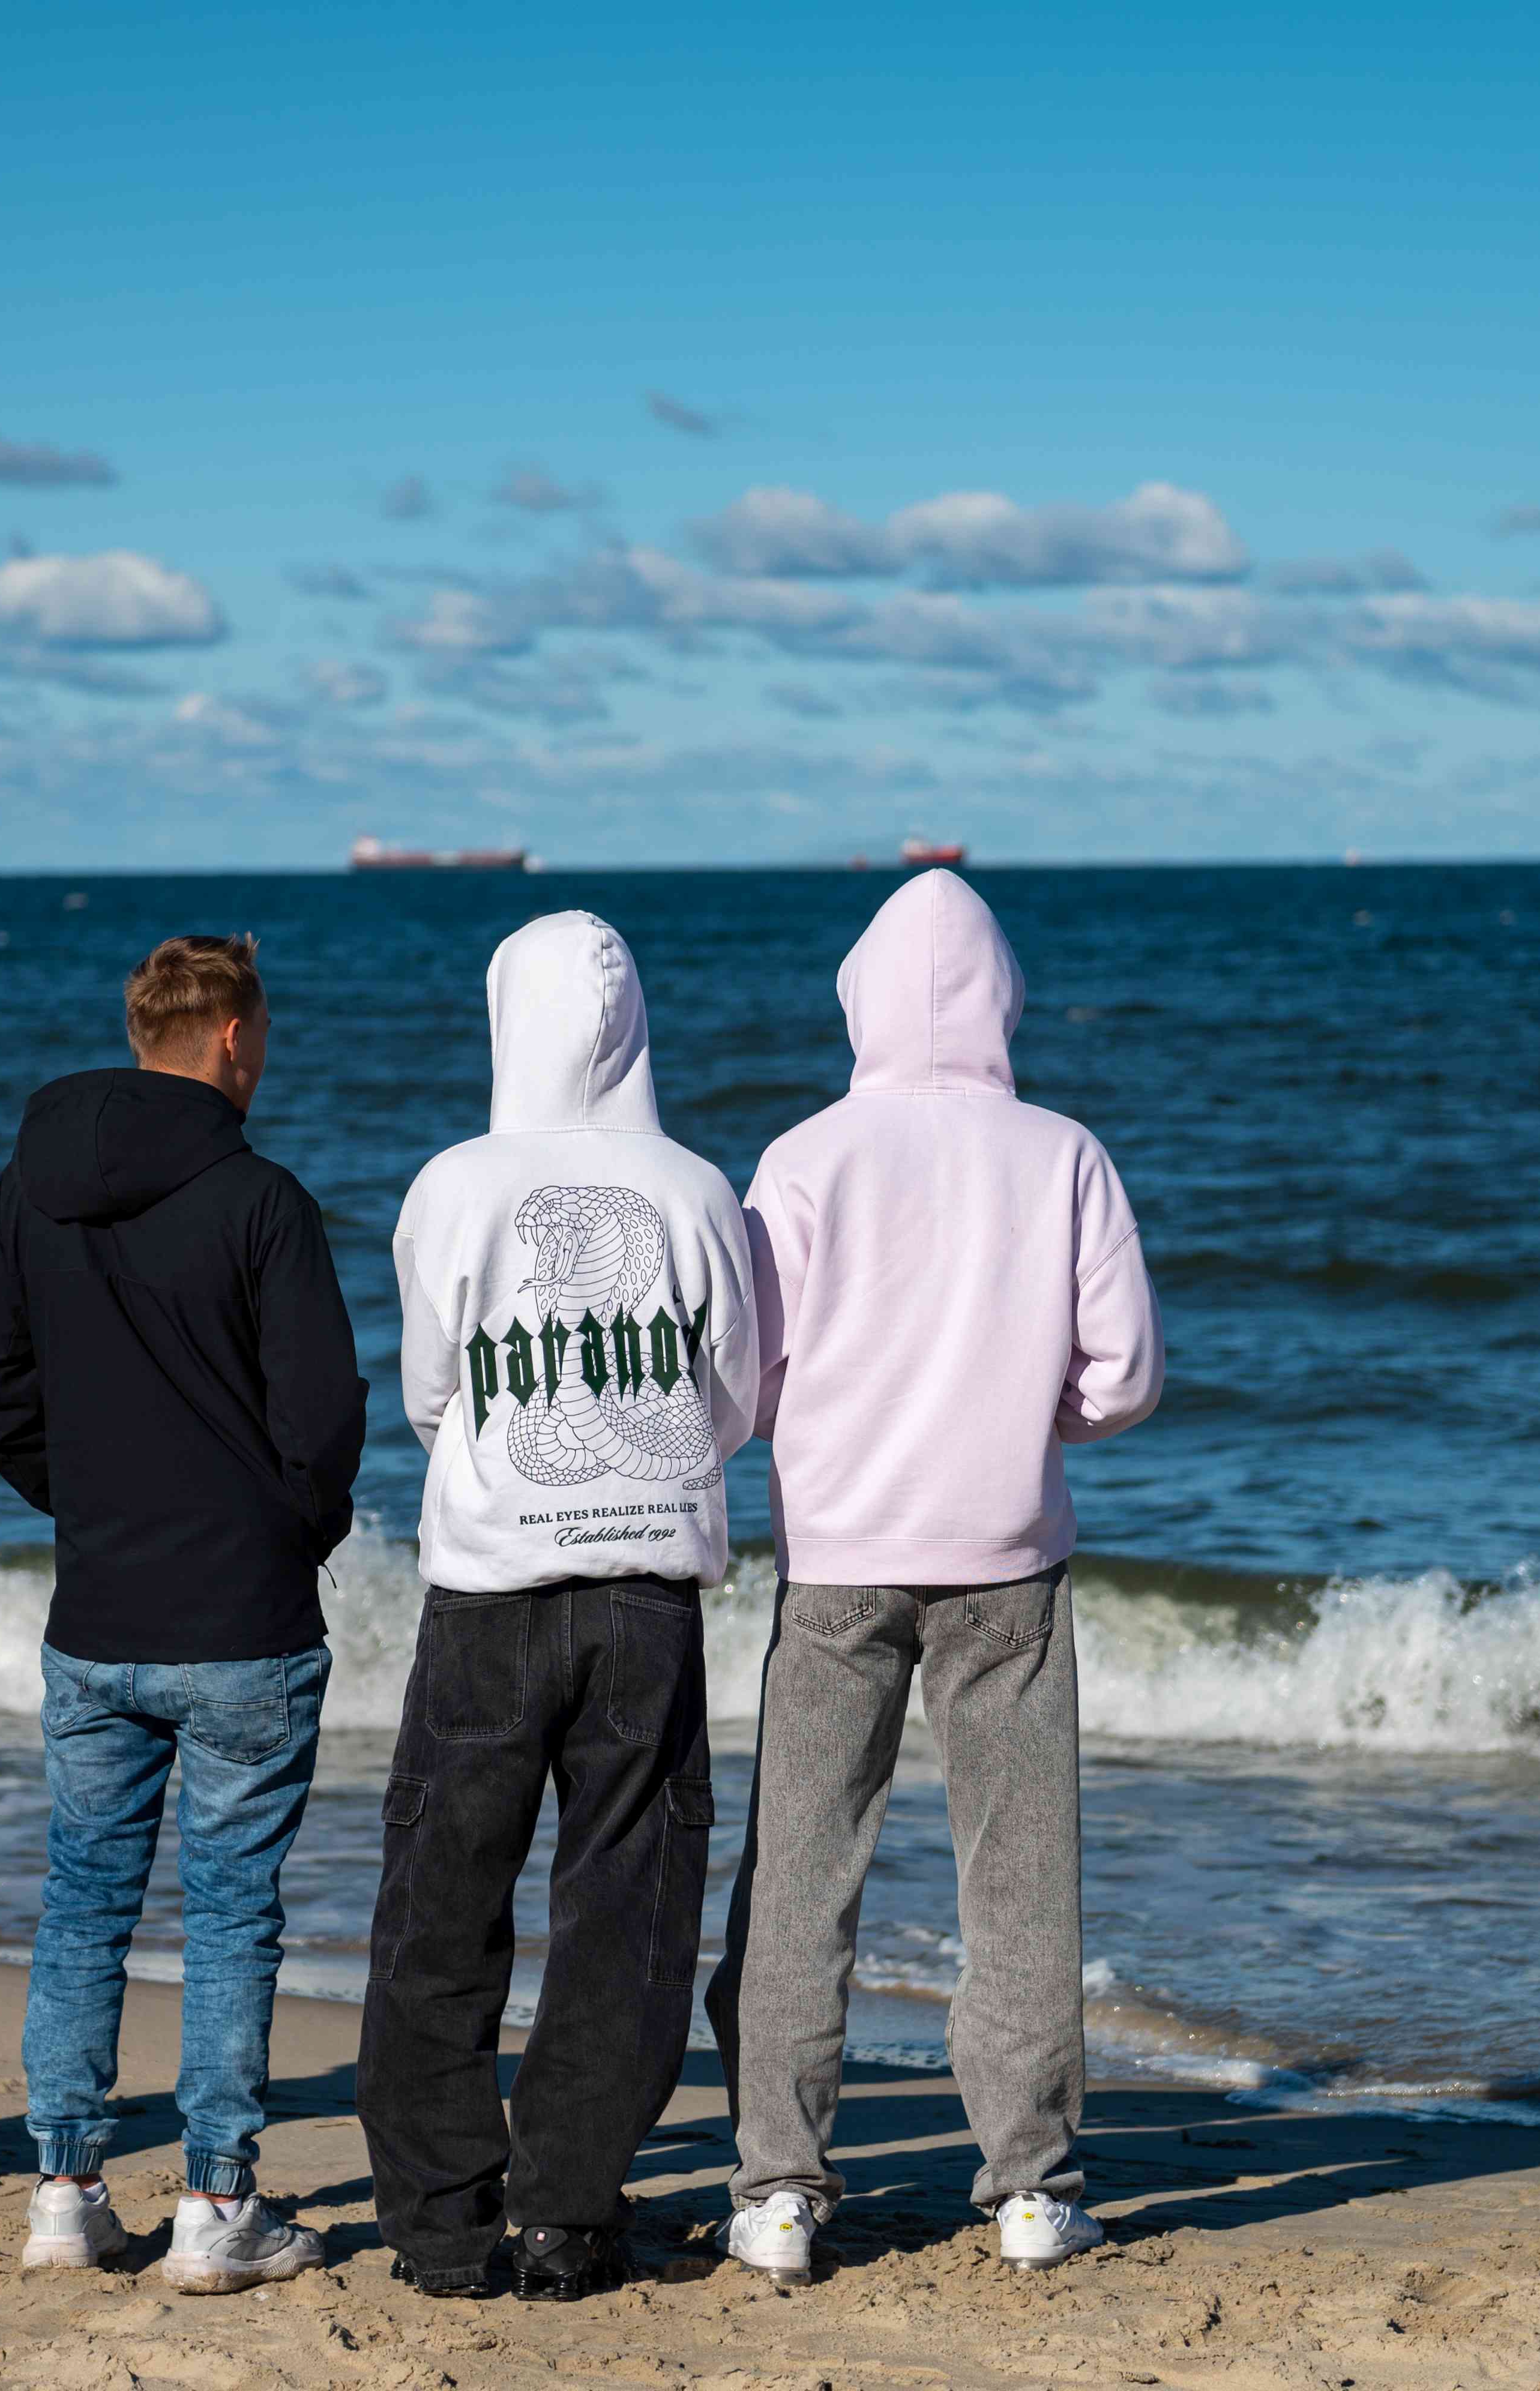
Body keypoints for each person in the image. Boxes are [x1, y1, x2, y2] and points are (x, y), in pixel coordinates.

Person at [707, 868, 1162, 2281]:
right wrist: (1030, 1416)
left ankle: (778, 2189)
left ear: (859, 999)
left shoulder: (804, 1158)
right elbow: (1125, 1376)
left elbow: (746, 1378)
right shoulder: (1063, 1152)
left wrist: (818, 1427)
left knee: (802, 1871)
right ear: (1002, 998)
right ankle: (1029, 2186)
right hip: (1007, 1560)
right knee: (1019, 1882)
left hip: (838, 1559)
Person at [358, 910, 760, 2303]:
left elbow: (431, 1397)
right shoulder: (700, 1188)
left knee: (442, 1899)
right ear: (635, 1023)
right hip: (649, 1592)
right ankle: (567, 2217)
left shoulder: (452, 1185)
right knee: (628, 1911)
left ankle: (440, 2222)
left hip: (488, 1592)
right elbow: (732, 1397)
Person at [0, 933, 365, 2293]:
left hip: (99, 1607)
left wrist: (87, 1506)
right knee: (233, 1913)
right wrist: (289, 1526)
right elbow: (325, 1416)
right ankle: (215, 2203)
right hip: (243, 1616)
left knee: (85, 1899)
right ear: (233, 1038)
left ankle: (65, 2193)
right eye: (266, 1036)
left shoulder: (31, 1188)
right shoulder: (261, 1198)